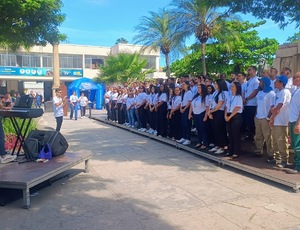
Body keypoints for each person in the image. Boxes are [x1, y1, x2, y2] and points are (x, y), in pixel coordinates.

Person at [269, 75, 291, 168]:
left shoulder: (285, 92)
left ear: (281, 83)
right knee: (274, 140)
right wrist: (272, 115)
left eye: (277, 81)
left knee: (281, 140)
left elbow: (279, 106)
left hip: (282, 120)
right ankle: (277, 158)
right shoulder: (277, 91)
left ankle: (284, 159)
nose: (275, 82)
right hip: (276, 120)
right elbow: (273, 106)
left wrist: (272, 117)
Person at [254, 77, 275, 161]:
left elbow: (272, 106)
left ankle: (271, 154)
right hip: (258, 117)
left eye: (261, 82)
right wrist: (256, 115)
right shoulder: (259, 92)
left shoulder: (271, 93)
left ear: (265, 83)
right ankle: (258, 151)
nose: (259, 83)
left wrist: (268, 117)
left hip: (265, 118)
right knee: (258, 135)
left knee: (268, 136)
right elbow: (258, 104)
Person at [225, 82, 244, 158]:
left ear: (237, 88)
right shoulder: (230, 96)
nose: (231, 87)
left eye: (233, 86)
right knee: (230, 134)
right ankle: (231, 150)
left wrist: (230, 117)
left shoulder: (238, 97)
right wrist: (226, 115)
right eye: (231, 86)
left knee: (235, 134)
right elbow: (226, 107)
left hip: (235, 116)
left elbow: (237, 108)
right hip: (229, 115)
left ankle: (236, 151)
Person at [188, 84, 209, 149]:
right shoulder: (196, 96)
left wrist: (205, 116)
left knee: (203, 129)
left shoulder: (205, 97)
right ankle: (199, 141)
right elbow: (191, 105)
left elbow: (207, 107)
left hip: (202, 113)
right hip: (195, 114)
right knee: (198, 129)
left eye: (200, 88)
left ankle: (205, 143)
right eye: (198, 88)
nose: (198, 89)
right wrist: (190, 113)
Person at [288, 72, 300, 174]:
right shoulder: (296, 90)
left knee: (298, 145)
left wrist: (298, 123)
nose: (292, 79)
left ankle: (299, 166)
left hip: (297, 121)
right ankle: (296, 163)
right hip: (292, 120)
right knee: (294, 144)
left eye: (294, 77)